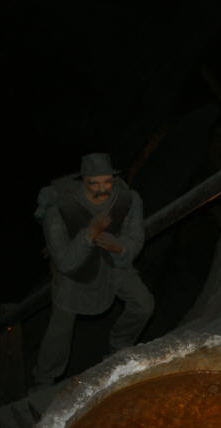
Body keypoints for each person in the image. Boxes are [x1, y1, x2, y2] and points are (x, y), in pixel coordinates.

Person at [31, 152, 154, 388]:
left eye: (106, 182)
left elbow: (135, 236)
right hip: (76, 273)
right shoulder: (59, 209)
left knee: (143, 304)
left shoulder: (127, 199)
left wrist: (120, 247)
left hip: (112, 265)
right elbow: (65, 261)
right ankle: (44, 378)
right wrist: (89, 234)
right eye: (94, 184)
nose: (102, 189)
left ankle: (119, 346)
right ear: (83, 181)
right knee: (60, 327)